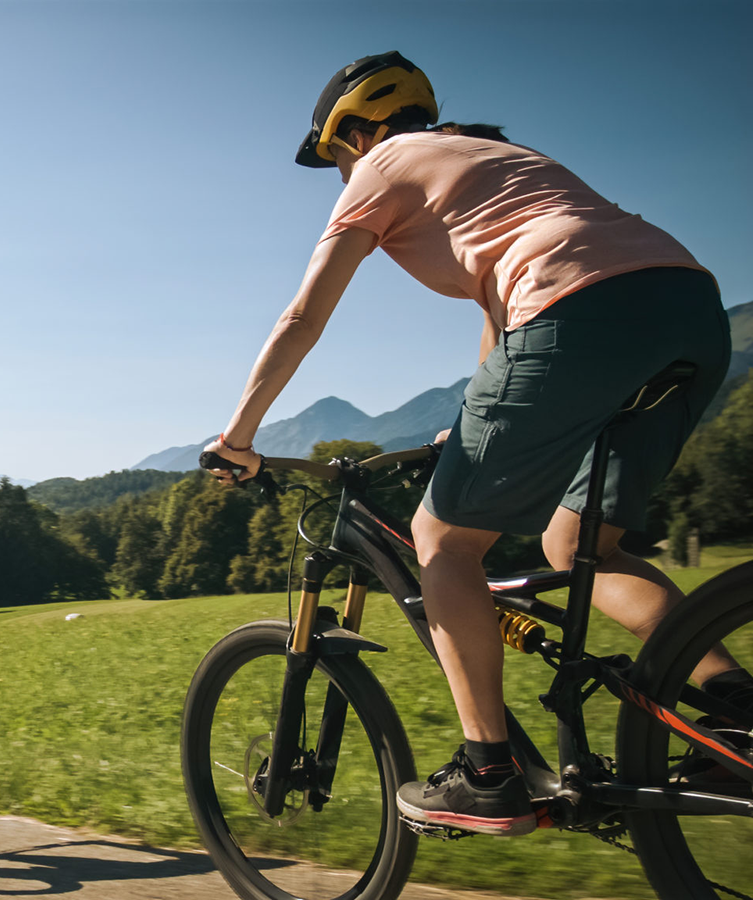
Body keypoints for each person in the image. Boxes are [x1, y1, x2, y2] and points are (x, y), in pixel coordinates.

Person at [205, 51, 748, 836]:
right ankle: (735, 714)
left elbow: (303, 317)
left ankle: (487, 773)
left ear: (357, 132)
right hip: (691, 308)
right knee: (583, 543)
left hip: (577, 315)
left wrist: (241, 435)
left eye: (332, 155)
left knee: (442, 542)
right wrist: (473, 415)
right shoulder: (501, 159)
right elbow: (504, 323)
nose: (339, 171)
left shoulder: (382, 165)